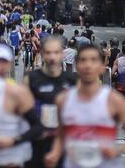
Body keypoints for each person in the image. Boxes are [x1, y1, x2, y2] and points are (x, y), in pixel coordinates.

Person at [45, 45, 125, 168]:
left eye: (93, 60)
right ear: (76, 66)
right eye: (83, 60)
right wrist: (54, 153)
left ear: (102, 67)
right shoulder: (63, 99)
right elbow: (60, 135)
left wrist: (117, 151)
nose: (88, 65)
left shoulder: (114, 100)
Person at [24, 35, 75, 168]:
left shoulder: (72, 81)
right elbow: (23, 110)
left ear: (62, 54)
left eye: (56, 52)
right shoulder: (31, 79)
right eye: (48, 53)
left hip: (64, 142)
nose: (52, 57)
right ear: (42, 54)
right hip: (37, 141)